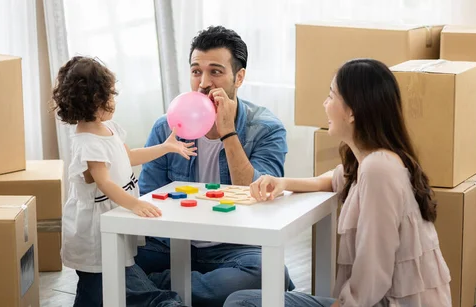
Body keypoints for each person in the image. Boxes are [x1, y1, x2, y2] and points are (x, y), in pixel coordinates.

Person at [224, 59, 452, 307]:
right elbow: (334, 179)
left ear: (352, 111)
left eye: (331, 96)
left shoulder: (379, 170)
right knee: (242, 298)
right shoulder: (372, 162)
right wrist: (282, 182)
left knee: (242, 302)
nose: (325, 104)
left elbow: (375, 269)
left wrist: (344, 304)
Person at [136, 26, 294, 307]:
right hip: (171, 243)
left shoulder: (266, 129)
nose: (203, 83)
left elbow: (258, 194)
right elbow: (148, 195)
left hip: (234, 246)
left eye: (216, 72)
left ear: (239, 77)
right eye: (196, 71)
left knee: (269, 274)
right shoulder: (167, 127)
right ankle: (177, 291)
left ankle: (155, 291)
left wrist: (228, 132)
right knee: (103, 262)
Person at [53, 56, 196, 307]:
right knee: (98, 283)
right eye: (110, 95)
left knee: (99, 286)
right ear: (96, 100)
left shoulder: (110, 129)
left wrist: (165, 147)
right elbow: (104, 183)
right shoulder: (88, 142)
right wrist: (134, 204)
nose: (114, 100)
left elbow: (127, 157)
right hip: (96, 231)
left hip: (114, 218)